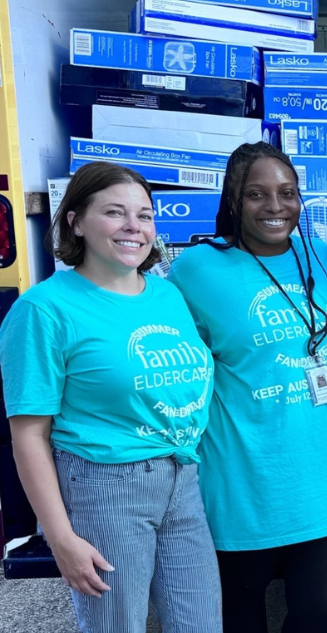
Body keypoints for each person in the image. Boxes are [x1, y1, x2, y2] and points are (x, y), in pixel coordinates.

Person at [0, 162, 220, 632]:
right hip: (106, 486)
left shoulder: (167, 295)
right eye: (115, 213)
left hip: (181, 478)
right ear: (75, 221)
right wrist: (60, 537)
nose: (133, 228)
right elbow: (29, 437)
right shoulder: (43, 310)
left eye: (144, 215)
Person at [167, 142, 327, 633]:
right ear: (232, 199)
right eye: (256, 194)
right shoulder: (195, 270)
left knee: (318, 615)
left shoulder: (321, 256)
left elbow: (319, 344)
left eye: (287, 192)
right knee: (239, 621)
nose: (275, 206)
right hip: (243, 485)